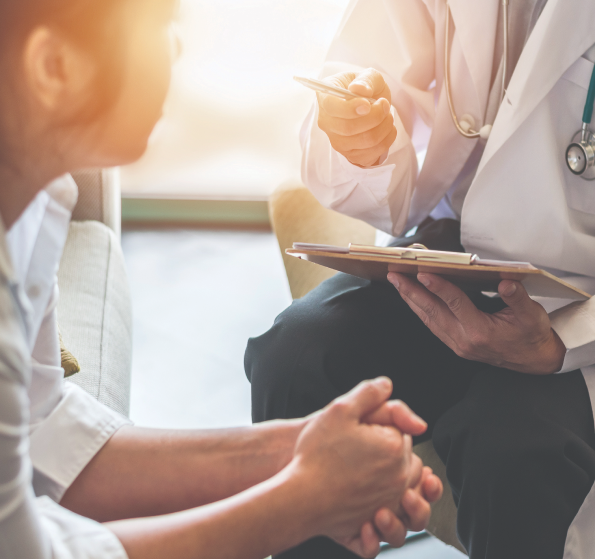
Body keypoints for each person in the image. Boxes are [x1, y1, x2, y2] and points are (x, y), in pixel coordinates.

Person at [0, 1, 445, 558]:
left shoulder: (34, 201)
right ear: (54, 67)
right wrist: (301, 501)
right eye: (162, 26)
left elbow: (47, 435)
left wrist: (299, 448)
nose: (177, 49)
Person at [246, 0, 595, 558]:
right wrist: (360, 129)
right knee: (295, 360)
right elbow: (369, 68)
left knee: (514, 451)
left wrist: (568, 339)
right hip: (460, 246)